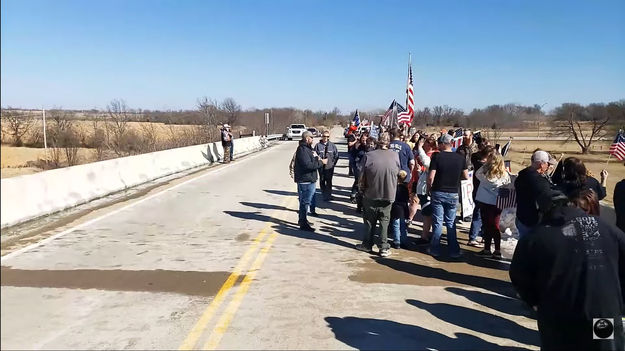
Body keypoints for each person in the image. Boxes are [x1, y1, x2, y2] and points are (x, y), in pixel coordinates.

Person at [510, 189, 625, 351]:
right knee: (605, 347)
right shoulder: (605, 227)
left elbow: (519, 275)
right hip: (604, 313)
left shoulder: (535, 238)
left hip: (559, 317)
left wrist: (534, 301)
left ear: (543, 211)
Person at [355, 133, 400, 257]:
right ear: (389, 142)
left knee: (370, 221)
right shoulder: (395, 155)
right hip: (389, 193)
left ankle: (367, 245)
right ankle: (383, 247)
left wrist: (360, 190)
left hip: (371, 193)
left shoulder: (368, 156)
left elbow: (361, 176)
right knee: (384, 221)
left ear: (377, 142)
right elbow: (398, 173)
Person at [427, 133, 469, 258]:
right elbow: (466, 176)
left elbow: (431, 177)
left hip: (438, 191)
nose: (438, 145)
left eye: (439, 143)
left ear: (443, 144)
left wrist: (429, 188)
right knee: (451, 222)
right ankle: (454, 250)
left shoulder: (437, 157)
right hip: (453, 192)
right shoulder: (460, 158)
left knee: (438, 222)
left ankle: (435, 248)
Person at [474, 152, 511, 259]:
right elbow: (508, 183)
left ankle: (488, 249)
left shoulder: (486, 176)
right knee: (494, 225)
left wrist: (485, 165)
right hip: (498, 203)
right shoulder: (504, 175)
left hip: (485, 202)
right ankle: (496, 249)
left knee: (488, 226)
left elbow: (477, 173)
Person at [514, 150, 557, 239]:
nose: (549, 166)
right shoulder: (539, 181)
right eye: (548, 164)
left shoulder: (522, 175)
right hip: (533, 221)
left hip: (521, 217)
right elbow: (547, 201)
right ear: (541, 164)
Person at [294, 131, 327, 231]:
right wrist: (321, 163)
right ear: (307, 138)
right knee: (305, 202)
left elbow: (312, 161)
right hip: (305, 180)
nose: (313, 140)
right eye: (311, 138)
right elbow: (307, 165)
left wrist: (317, 158)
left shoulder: (308, 149)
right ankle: (303, 224)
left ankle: (302, 219)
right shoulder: (302, 150)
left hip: (310, 179)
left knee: (305, 202)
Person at [467, 145, 495, 247]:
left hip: (479, 191)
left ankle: (484, 235)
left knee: (484, 215)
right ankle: (473, 237)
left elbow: (474, 155)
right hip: (481, 192)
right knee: (478, 214)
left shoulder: (476, 159)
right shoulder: (482, 165)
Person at [412, 136, 437, 243]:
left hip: (427, 190)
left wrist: (420, 148)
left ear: (430, 146)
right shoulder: (430, 155)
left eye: (425, 145)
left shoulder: (434, 156)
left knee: (427, 214)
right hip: (423, 187)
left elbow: (427, 163)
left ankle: (425, 236)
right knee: (428, 214)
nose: (424, 146)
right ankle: (427, 234)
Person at [313, 130, 339, 201]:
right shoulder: (318, 146)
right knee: (322, 180)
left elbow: (336, 156)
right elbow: (314, 155)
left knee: (329, 181)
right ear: (322, 136)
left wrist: (333, 164)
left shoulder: (332, 145)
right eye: (324, 136)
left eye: (327, 136)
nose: (326, 138)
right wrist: (318, 162)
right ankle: (324, 194)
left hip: (329, 167)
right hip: (321, 166)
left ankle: (329, 195)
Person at [390, 170, 410, 249]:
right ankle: (404, 241)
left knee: (396, 225)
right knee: (403, 226)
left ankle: (397, 241)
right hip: (404, 208)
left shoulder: (394, 187)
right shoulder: (405, 188)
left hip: (396, 208)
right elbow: (407, 199)